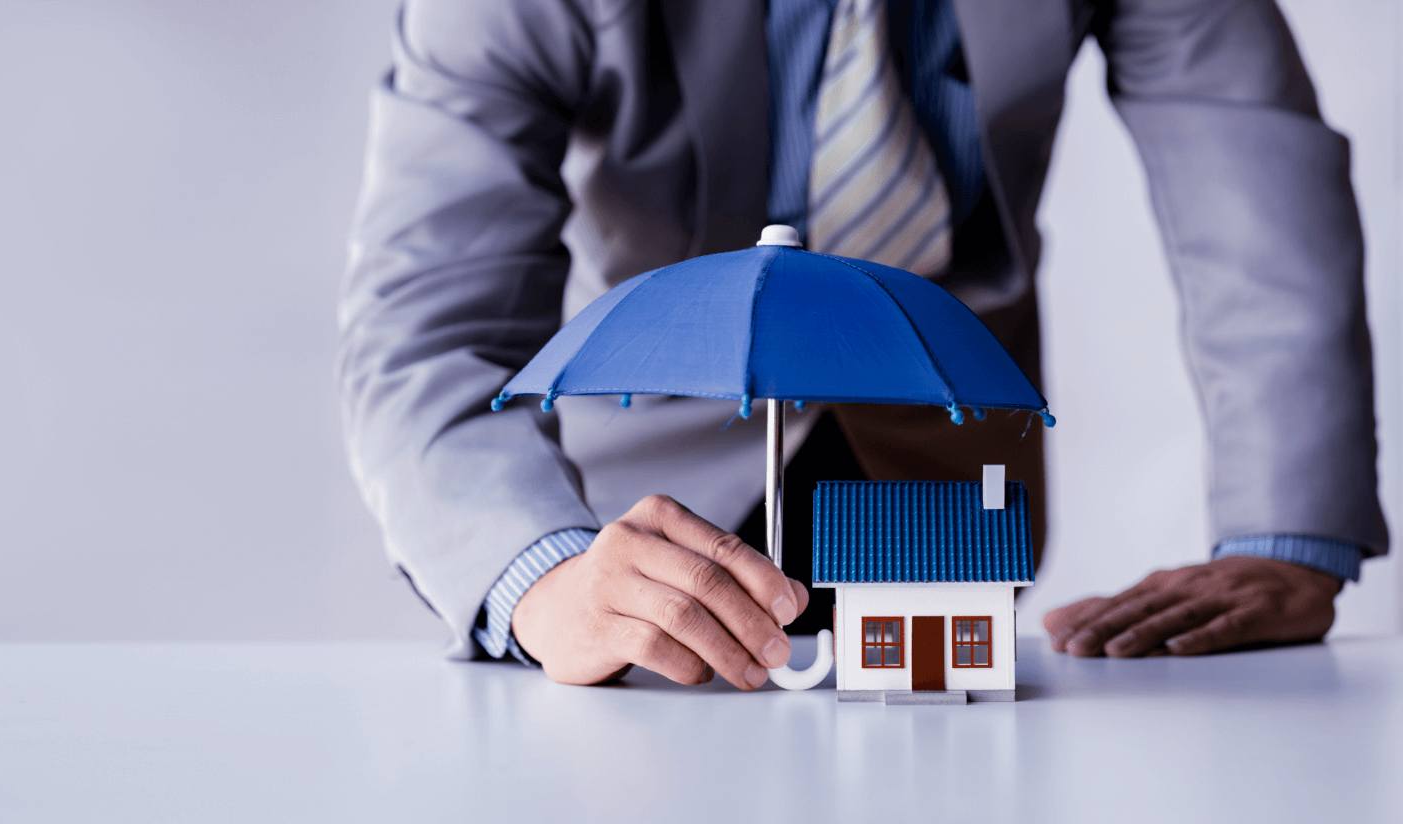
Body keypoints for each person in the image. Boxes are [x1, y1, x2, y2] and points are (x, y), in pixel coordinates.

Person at [339, 0, 1388, 689]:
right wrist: (538, 572)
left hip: (943, 455)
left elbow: (1254, 188)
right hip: (641, 516)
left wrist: (1283, 532)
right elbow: (431, 318)